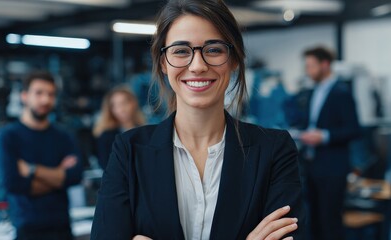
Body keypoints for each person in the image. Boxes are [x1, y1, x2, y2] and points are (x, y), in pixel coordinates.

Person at [91, 0, 305, 239]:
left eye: (213, 49)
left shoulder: (274, 150)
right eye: (181, 51)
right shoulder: (128, 151)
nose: (198, 65)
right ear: (163, 62)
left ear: (234, 59)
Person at [0, 71, 83, 240]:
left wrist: (32, 170)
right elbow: (12, 183)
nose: (45, 100)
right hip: (27, 229)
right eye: (39, 93)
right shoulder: (8, 136)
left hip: (62, 229)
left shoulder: (63, 136)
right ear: (24, 96)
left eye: (50, 94)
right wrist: (58, 176)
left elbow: (75, 177)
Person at [299, 47, 361, 240]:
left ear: (325, 64)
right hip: (312, 165)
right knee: (314, 220)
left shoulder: (341, 92)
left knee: (330, 221)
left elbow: (354, 129)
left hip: (333, 168)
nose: (307, 70)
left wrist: (324, 136)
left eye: (311, 66)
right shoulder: (313, 92)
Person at [92, 87, 145, 169]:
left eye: (124, 103)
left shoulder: (144, 131)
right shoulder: (106, 136)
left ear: (133, 103)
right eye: (115, 106)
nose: (121, 109)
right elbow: (105, 165)